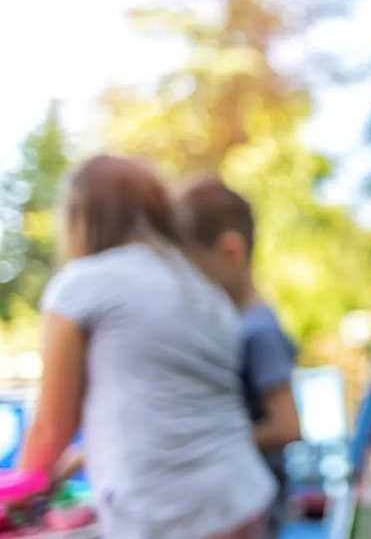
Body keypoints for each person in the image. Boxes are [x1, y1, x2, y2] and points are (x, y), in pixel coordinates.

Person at [18, 155, 275, 538]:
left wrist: (17, 499)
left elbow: (51, 429)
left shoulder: (83, 284)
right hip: (243, 495)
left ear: (82, 216)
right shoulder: (204, 291)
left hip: (168, 514)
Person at [176, 177, 301, 538]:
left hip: (259, 507)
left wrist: (211, 442)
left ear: (231, 252)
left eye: (193, 268)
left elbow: (287, 426)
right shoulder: (241, 325)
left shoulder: (257, 331)